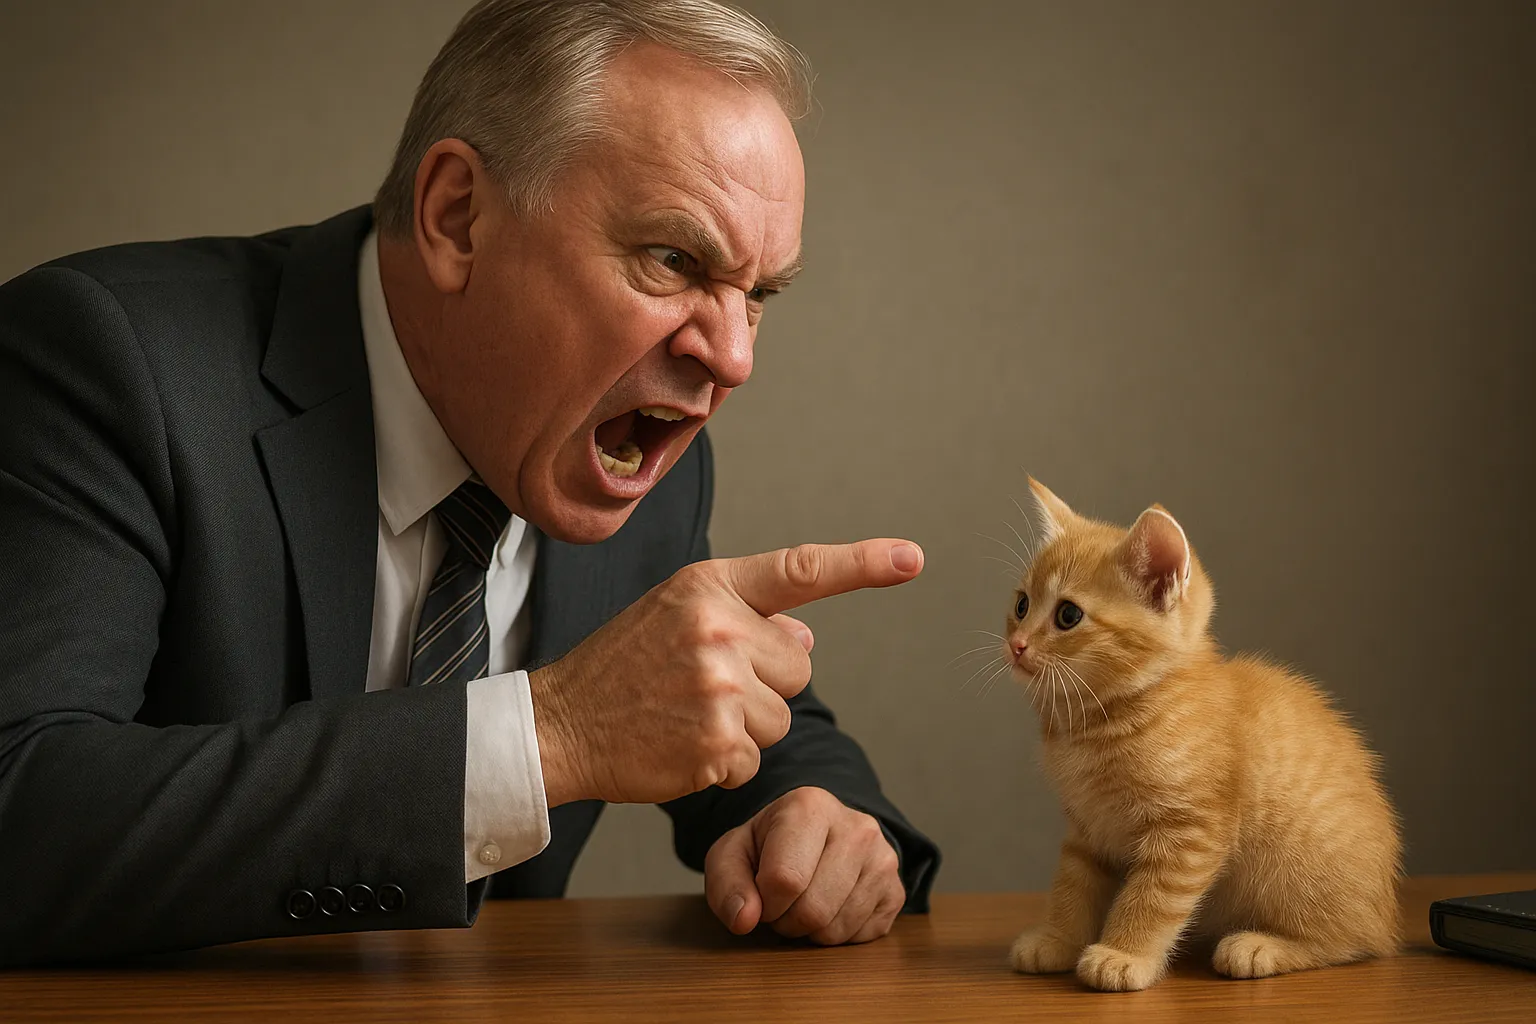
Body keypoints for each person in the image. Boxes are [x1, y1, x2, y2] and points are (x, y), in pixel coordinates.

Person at [0, 0, 939, 965]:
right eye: (674, 259)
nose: (733, 358)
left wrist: (824, 820)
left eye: (759, 296)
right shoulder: (110, 362)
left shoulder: (632, 445)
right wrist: (554, 736)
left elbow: (724, 704)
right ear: (458, 216)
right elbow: (19, 799)